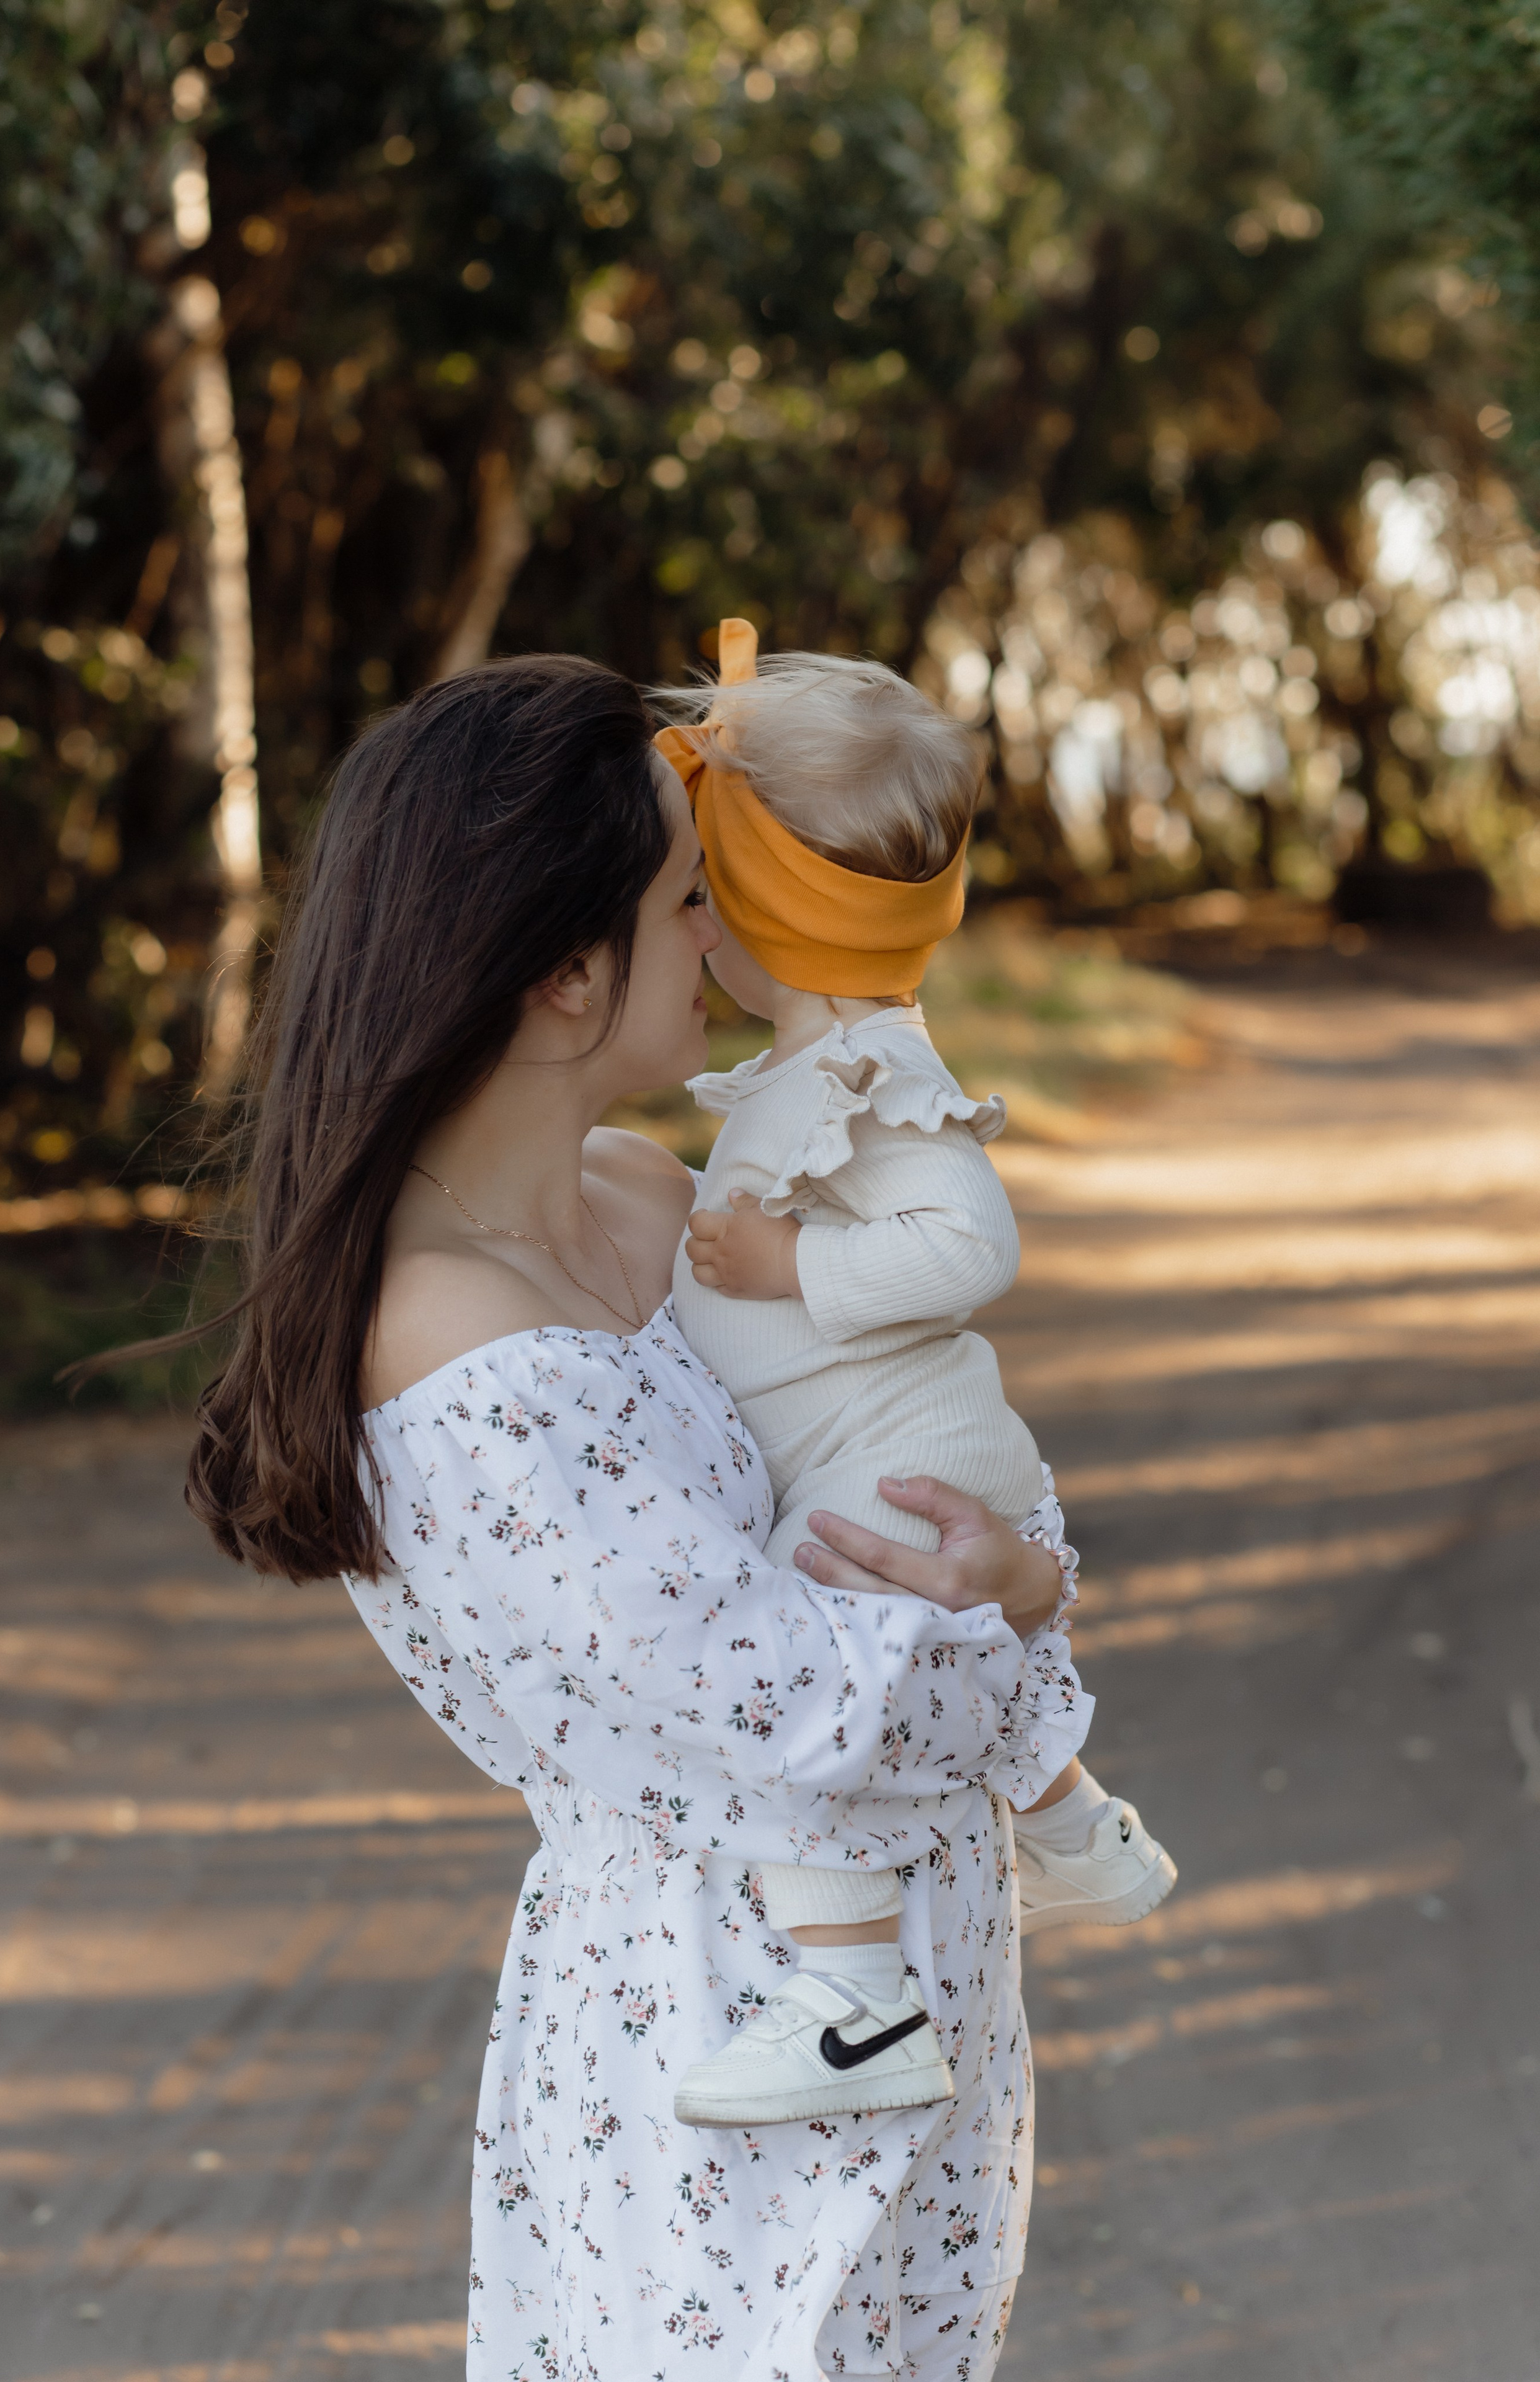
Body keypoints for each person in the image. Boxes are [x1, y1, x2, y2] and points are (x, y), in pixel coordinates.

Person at [184, 654, 1092, 2382]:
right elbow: (802, 1700)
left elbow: (912, 1459)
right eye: (693, 896)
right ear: (560, 971)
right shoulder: (453, 1345)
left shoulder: (651, 1197)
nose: (728, 935)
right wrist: (1025, 1602)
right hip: (720, 2041)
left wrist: (997, 1580)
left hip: (907, 1991)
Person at [655, 623, 1175, 2131]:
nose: (695, 929)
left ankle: (853, 2000)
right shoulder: (828, 1066)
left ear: (765, 916)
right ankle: (1080, 1836)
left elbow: (971, 1245)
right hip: (898, 1455)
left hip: (886, 1461)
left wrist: (791, 1276)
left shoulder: (868, 1074)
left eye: (704, 893)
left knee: (792, 1702)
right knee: (926, 1671)